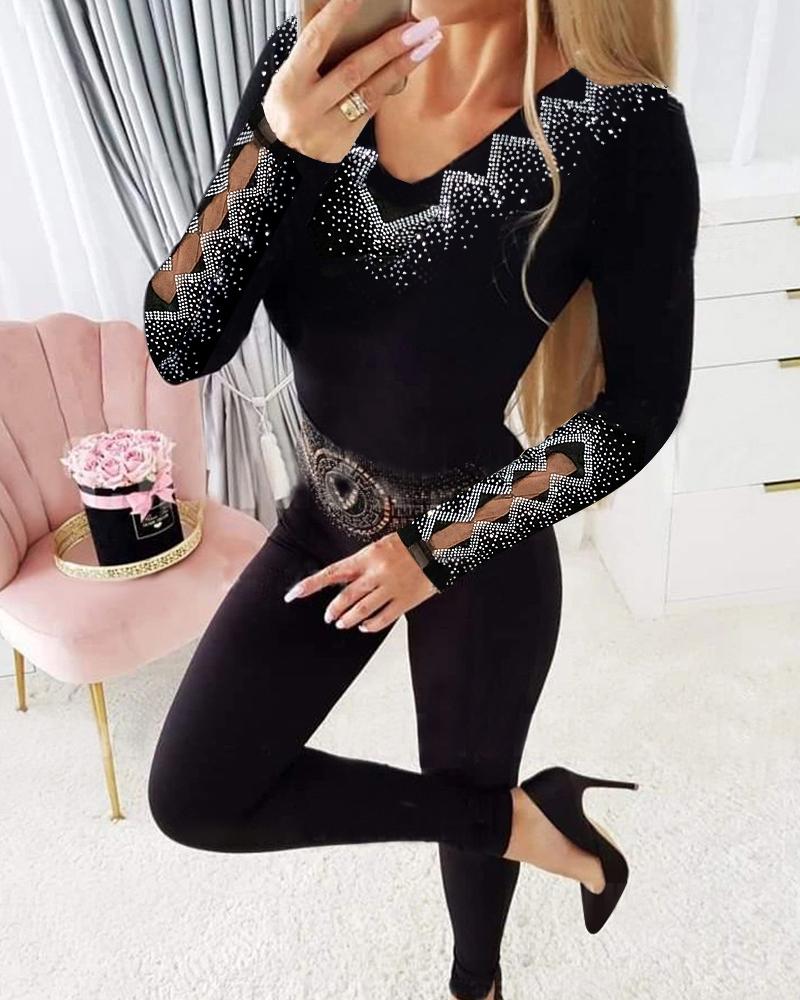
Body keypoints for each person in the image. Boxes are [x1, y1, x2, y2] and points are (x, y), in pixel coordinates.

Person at [144, 1, 700, 997]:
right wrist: (281, 149)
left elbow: (640, 409)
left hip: (479, 543)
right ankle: (529, 822)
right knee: (195, 794)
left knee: (465, 793)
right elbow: (181, 341)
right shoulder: (311, 66)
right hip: (324, 516)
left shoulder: (622, 124)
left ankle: (475, 983)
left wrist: (436, 552)